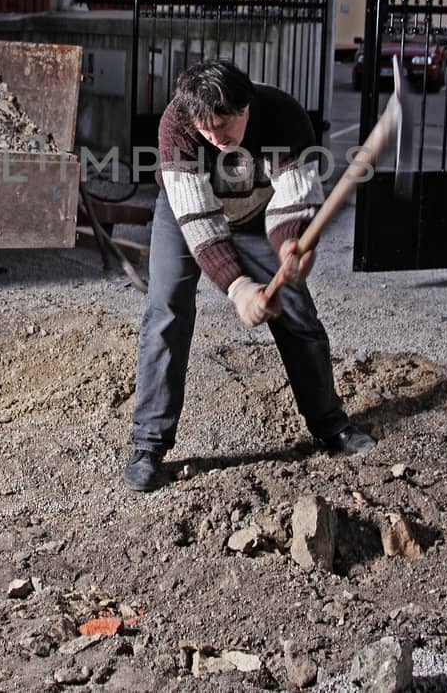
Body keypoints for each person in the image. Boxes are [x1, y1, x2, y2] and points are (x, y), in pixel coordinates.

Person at [123, 58, 375, 492]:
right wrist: (238, 287)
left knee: (296, 310)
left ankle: (331, 424)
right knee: (166, 306)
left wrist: (291, 247)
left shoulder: (283, 117)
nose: (215, 138)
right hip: (186, 213)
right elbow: (199, 220)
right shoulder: (177, 126)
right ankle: (148, 444)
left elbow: (293, 200)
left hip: (260, 209)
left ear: (246, 107)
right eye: (206, 131)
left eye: (224, 126)